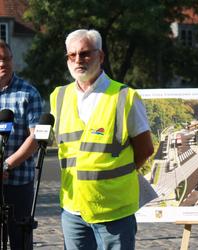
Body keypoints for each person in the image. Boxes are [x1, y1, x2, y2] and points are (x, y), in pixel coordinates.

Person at [50, 29, 154, 250]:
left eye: (85, 53)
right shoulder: (58, 96)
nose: (78, 59)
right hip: (73, 211)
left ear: (101, 56)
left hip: (114, 212)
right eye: (72, 55)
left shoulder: (125, 97)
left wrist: (113, 176)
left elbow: (145, 149)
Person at [0, 40, 42, 249]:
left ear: (12, 60)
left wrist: (6, 165)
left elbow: (36, 138)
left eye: (6, 58)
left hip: (18, 185)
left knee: (21, 243)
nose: (2, 63)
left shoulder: (28, 94)